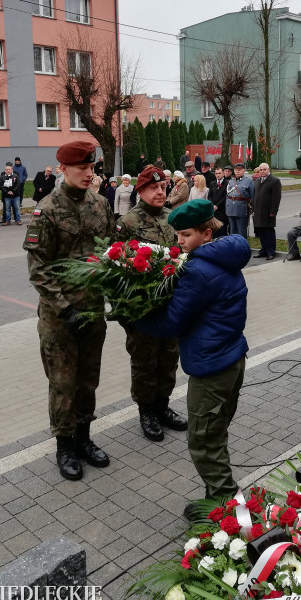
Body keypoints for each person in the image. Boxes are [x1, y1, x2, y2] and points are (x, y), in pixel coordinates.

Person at [136, 200, 250, 512]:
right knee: (215, 431)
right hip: (231, 359)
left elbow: (173, 322)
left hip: (211, 367)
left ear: (206, 233)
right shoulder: (228, 256)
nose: (179, 241)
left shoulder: (198, 270)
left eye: (185, 235)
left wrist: (134, 317)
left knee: (203, 441)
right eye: (177, 235)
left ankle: (227, 509)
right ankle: (219, 495)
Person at [23, 140, 115, 480]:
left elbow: (110, 252)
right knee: (63, 384)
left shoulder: (102, 204)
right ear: (63, 168)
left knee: (88, 380)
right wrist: (65, 309)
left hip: (92, 312)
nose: (90, 174)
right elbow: (38, 270)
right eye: (83, 169)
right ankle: (64, 446)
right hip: (60, 319)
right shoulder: (46, 210)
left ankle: (84, 439)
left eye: (93, 168)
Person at [117, 165, 188, 441]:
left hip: (170, 306)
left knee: (169, 358)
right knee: (144, 361)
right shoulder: (129, 223)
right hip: (142, 309)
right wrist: (127, 313)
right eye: (154, 188)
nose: (160, 192)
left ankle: (163, 406)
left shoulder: (174, 216)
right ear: (141, 190)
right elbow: (117, 267)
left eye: (163, 187)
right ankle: (146, 411)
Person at [252, 162, 282, 260]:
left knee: (268, 232)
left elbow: (276, 198)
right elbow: (255, 196)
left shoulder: (274, 181)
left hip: (268, 212)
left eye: (264, 169)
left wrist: (273, 211)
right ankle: (263, 250)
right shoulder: (257, 181)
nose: (262, 171)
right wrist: (253, 209)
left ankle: (270, 252)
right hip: (258, 211)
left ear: (268, 170)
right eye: (260, 170)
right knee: (261, 232)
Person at [226, 163, 254, 238]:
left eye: (240, 170)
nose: (238, 171)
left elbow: (252, 196)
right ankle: (234, 248)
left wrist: (253, 209)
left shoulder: (248, 181)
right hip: (231, 209)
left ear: (243, 170)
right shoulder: (231, 181)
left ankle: (242, 248)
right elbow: (227, 196)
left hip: (241, 209)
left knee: (241, 232)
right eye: (236, 170)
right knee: (232, 231)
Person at [208, 166, 229, 237]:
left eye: (219, 173)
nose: (218, 175)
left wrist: (217, 206)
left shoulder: (227, 183)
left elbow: (225, 197)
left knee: (222, 231)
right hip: (214, 211)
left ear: (223, 174)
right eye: (216, 173)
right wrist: (212, 205)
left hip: (222, 211)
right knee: (215, 231)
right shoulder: (212, 183)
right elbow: (210, 195)